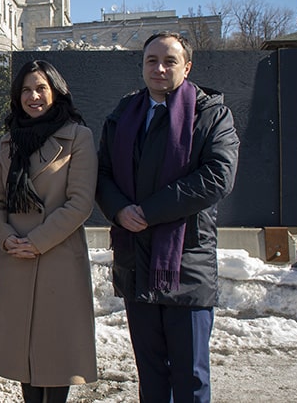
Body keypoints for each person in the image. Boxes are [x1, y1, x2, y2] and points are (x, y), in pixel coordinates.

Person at [95, 31, 240, 402]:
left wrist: (149, 211)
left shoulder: (210, 114)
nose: (159, 68)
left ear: (187, 67)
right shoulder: (123, 115)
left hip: (185, 266)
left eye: (169, 61)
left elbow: (217, 177)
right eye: (151, 60)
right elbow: (103, 174)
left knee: (191, 378)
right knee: (151, 376)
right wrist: (119, 209)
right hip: (135, 263)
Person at [0, 60, 98, 403]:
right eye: (26, 90)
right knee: (22, 356)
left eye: (41, 89)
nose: (33, 96)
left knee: (57, 354)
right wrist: (6, 238)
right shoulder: (8, 143)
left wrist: (36, 242)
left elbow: (80, 203)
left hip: (57, 259)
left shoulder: (78, 137)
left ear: (56, 92)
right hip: (15, 258)